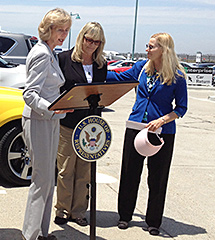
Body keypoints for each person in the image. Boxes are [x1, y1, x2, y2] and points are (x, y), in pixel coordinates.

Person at [106, 33, 188, 236]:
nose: (147, 49)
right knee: (129, 173)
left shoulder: (177, 75)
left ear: (164, 49)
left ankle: (153, 221)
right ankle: (124, 216)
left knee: (158, 178)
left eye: (151, 46)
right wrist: (91, 70)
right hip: (135, 127)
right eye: (147, 46)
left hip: (162, 132)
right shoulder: (141, 68)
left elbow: (181, 108)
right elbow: (117, 77)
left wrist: (162, 119)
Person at [22, 8, 72, 240]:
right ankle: (31, 235)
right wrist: (53, 108)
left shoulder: (49, 52)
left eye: (66, 30)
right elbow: (30, 94)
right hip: (39, 120)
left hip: (50, 119)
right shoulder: (42, 53)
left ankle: (42, 232)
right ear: (49, 29)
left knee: (47, 179)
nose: (63, 34)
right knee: (41, 180)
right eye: (60, 29)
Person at [54, 22, 107, 226]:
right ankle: (62, 210)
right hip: (68, 123)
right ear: (81, 37)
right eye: (89, 39)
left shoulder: (101, 64)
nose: (91, 45)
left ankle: (78, 212)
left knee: (84, 171)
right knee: (66, 169)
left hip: (91, 126)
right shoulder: (64, 59)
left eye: (96, 41)